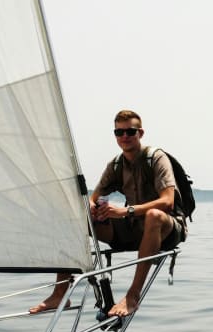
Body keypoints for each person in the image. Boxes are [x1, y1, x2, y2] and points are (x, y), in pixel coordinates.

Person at [30, 110, 186, 317]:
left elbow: (167, 201)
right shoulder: (116, 165)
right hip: (133, 229)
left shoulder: (155, 158)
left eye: (130, 132)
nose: (124, 137)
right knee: (74, 219)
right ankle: (60, 293)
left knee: (154, 216)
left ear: (140, 133)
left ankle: (132, 296)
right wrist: (94, 208)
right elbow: (93, 197)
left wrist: (124, 211)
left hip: (167, 228)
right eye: (118, 132)